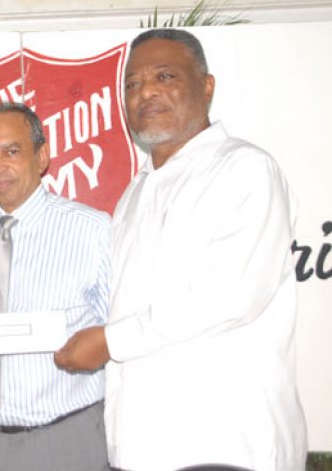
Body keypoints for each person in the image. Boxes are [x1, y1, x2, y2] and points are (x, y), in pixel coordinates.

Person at [56, 28, 308, 470]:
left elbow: (232, 295)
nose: (145, 92)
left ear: (206, 86)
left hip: (226, 447)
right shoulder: (134, 194)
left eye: (165, 76)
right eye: (132, 84)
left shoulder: (244, 169)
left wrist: (109, 341)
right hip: (139, 449)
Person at [0, 103, 111, 471]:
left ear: (42, 157)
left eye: (12, 151)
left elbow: (122, 331)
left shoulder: (93, 230)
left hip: (66, 441)